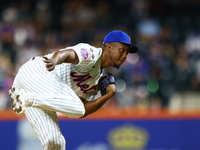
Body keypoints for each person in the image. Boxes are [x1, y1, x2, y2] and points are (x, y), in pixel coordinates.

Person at [9, 30, 138, 150]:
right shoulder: (92, 53)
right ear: (109, 47)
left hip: (34, 94)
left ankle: (25, 99)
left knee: (55, 142)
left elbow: (82, 111)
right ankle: (27, 98)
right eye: (122, 50)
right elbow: (67, 54)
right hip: (37, 72)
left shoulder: (95, 81)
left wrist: (108, 95)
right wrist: (55, 60)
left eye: (126, 53)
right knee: (76, 105)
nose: (124, 55)